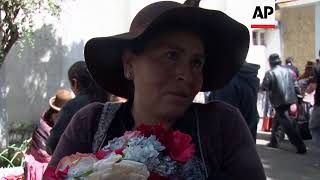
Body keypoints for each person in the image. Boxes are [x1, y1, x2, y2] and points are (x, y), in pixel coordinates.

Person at [46, 2, 266, 179]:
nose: (186, 75)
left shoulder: (222, 125)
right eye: (171, 55)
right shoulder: (91, 123)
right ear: (129, 64)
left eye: (196, 63)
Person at [46, 61, 108, 155]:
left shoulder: (72, 106)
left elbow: (52, 145)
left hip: (77, 165)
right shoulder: (107, 101)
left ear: (75, 83)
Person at [261, 53, 307, 154]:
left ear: (270, 62)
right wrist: (298, 99)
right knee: (277, 121)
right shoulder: (289, 71)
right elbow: (296, 85)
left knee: (288, 126)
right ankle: (274, 141)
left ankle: (300, 146)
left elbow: (265, 86)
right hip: (290, 99)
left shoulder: (270, 73)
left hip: (279, 101)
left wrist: (261, 87)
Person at [24, 89, 72, 180]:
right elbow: (44, 153)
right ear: (54, 113)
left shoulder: (62, 123)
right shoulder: (44, 126)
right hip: (41, 163)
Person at [213, 62, 260, 141]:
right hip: (247, 140)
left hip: (234, 145)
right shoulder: (245, 76)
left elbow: (224, 123)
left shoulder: (226, 82)